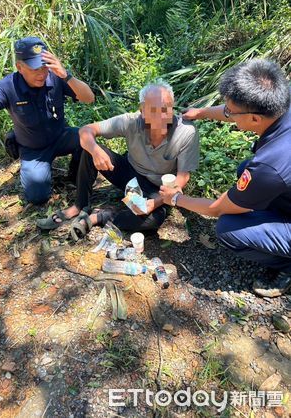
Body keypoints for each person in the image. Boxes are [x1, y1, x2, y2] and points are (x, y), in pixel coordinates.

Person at [160, 58, 291, 298]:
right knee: (244, 170)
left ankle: (286, 266)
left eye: (232, 112)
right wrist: (199, 113)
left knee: (229, 229)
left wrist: (176, 198)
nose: (228, 114)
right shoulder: (279, 102)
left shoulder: (269, 166)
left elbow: (216, 208)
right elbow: (238, 110)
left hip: (277, 177)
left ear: (254, 119)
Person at [37, 80, 200, 238]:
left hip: (156, 188)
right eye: (153, 110)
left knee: (154, 219)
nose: (161, 117)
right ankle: (80, 206)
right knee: (89, 150)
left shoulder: (186, 132)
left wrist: (153, 203)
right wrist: (95, 151)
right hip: (129, 173)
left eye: (165, 109)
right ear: (142, 110)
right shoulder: (131, 121)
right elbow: (86, 130)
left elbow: (182, 177)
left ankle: (100, 217)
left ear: (172, 106)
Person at [0, 36, 95, 204]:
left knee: (88, 138)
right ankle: (23, 151)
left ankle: (75, 174)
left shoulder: (55, 77)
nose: (42, 74)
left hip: (61, 137)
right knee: (37, 197)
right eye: (34, 68)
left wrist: (66, 76)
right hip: (33, 150)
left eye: (44, 67)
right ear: (19, 67)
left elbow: (89, 98)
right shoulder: (8, 86)